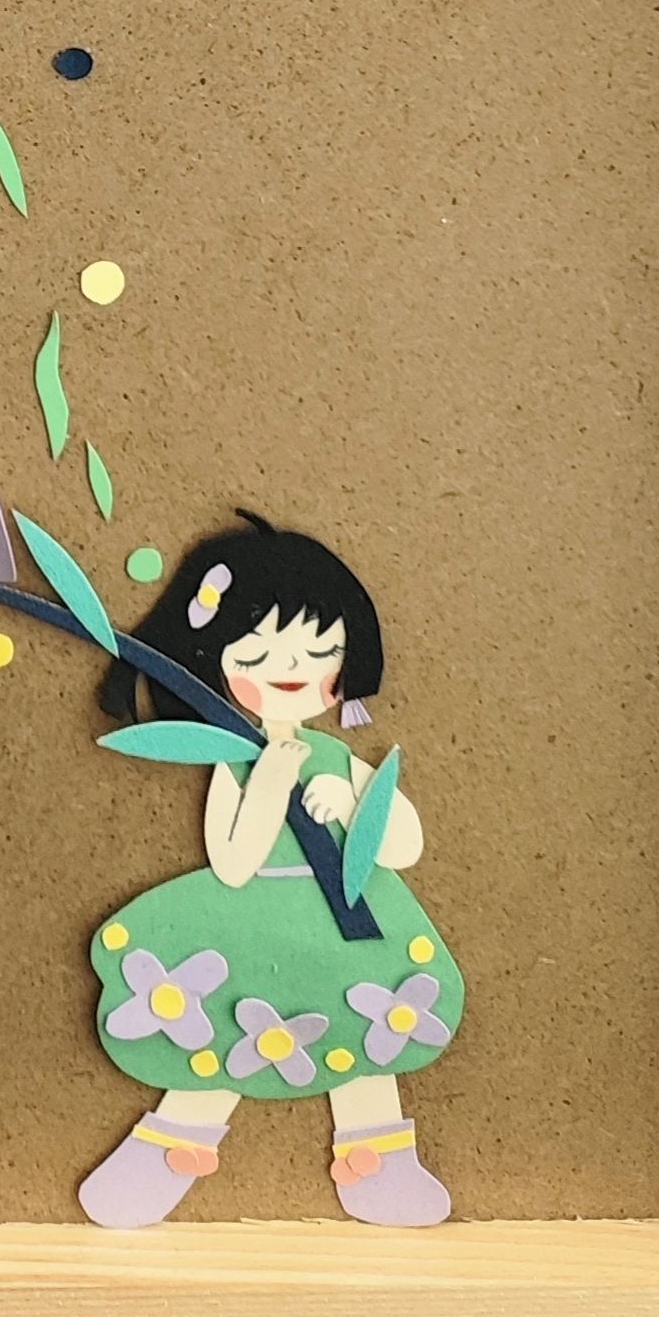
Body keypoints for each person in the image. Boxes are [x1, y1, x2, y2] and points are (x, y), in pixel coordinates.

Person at [76, 516, 465, 1227]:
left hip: (352, 925)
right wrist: (267, 786)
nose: (291, 670)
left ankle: (381, 1166)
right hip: (250, 918)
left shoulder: (337, 757)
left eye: (319, 651)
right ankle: (163, 1158)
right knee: (217, 1032)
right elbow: (231, 863)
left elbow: (404, 843)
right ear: (219, 664)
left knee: (366, 1041)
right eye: (255, 655)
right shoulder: (233, 760)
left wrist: (353, 801)